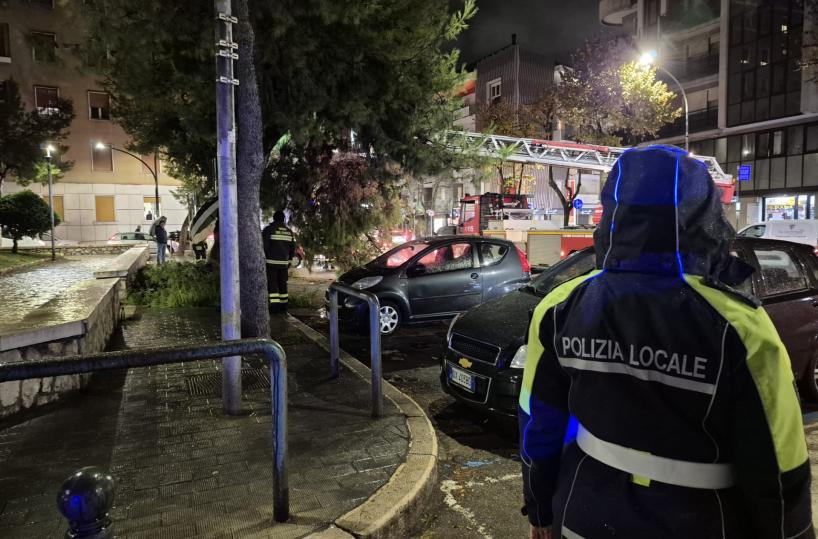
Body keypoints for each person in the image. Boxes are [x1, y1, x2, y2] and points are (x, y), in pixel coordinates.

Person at [519, 146, 813, 538]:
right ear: (704, 216)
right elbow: (778, 463)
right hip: (703, 520)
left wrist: (540, 510)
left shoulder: (560, 307)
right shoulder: (739, 325)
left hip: (583, 513)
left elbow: (538, 422)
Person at [262, 211, 295, 314]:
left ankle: (274, 306)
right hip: (283, 264)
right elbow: (292, 249)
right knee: (282, 284)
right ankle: (284, 306)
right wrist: (289, 262)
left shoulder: (269, 230)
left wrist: (263, 259)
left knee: (272, 284)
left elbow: (264, 246)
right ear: (283, 219)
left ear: (274, 218)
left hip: (271, 263)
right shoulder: (289, 231)